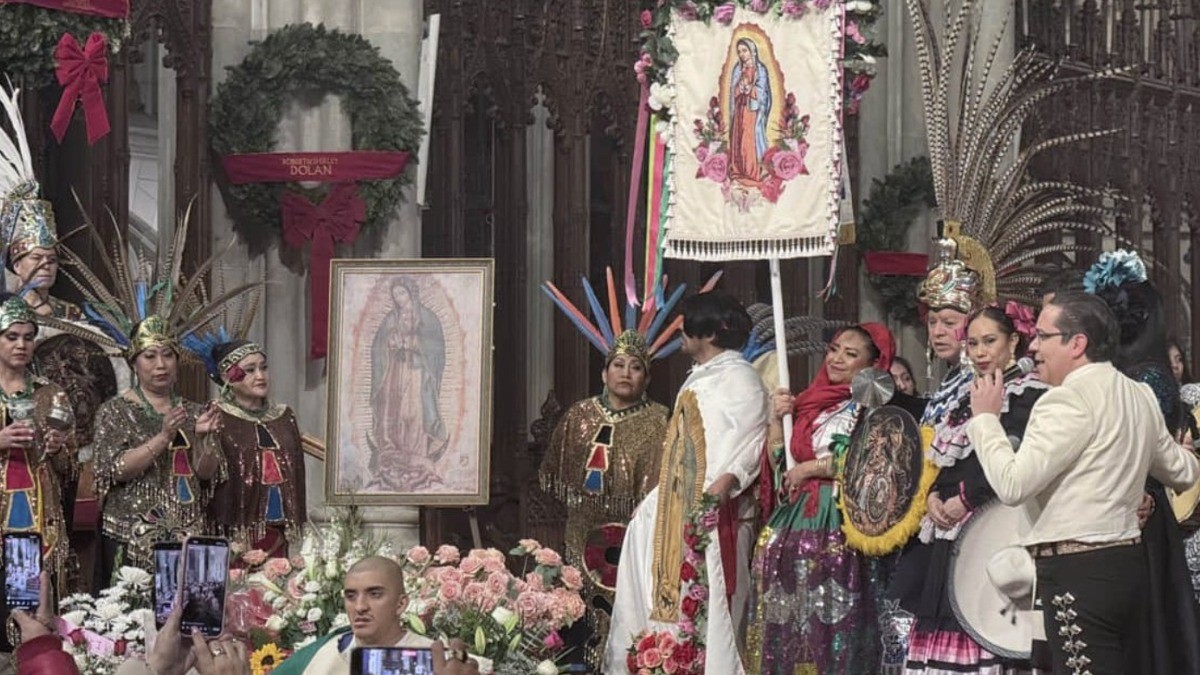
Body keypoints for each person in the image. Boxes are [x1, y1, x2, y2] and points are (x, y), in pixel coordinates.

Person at [967, 290, 1200, 674]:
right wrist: (1188, 453)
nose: (1033, 347)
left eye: (1043, 336)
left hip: (1078, 571)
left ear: (1077, 343)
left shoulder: (1065, 401)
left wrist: (986, 420)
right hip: (1127, 565)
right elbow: (1181, 471)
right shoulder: (1138, 394)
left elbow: (1011, 484)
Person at [604, 291, 769, 675]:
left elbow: (749, 442)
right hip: (672, 509)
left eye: (686, 322)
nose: (680, 329)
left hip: (708, 518)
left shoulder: (739, 378)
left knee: (706, 614)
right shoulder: (703, 377)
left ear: (708, 332)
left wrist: (718, 492)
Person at [899, 304, 1047, 674]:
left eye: (990, 341)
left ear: (1014, 340)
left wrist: (964, 499)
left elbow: (1013, 461)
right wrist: (934, 495)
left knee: (987, 617)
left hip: (995, 528)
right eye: (974, 343)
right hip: (950, 527)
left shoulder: (1031, 395)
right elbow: (947, 459)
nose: (980, 352)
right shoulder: (966, 396)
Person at [747, 324, 896, 674]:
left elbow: (868, 459)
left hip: (842, 528)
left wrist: (811, 469)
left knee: (836, 623)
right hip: (792, 526)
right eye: (834, 349)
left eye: (851, 353)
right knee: (788, 622)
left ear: (873, 364)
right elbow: (783, 467)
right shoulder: (809, 404)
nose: (838, 359)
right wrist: (776, 419)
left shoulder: (873, 406)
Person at [1083, 250, 1200, 674]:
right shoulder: (1119, 371)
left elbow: (1148, 451)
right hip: (1118, 510)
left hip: (1140, 512)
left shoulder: (1146, 375)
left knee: (1144, 631)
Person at [539, 330, 669, 667]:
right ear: (604, 373)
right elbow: (553, 475)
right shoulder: (578, 416)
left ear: (647, 377)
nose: (626, 373)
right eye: (619, 364)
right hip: (581, 529)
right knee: (576, 616)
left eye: (636, 367)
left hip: (633, 533)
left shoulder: (660, 420)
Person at [0, 295, 77, 663]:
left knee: (38, 611)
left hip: (40, 522)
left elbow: (71, 470)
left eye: (28, 336)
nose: (21, 344)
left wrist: (59, 447)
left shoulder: (51, 392)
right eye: (11, 336)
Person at [182, 336, 306, 558]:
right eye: (249, 370)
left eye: (264, 368)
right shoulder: (215, 415)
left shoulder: (284, 416)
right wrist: (205, 440)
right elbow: (203, 474)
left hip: (279, 528)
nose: (260, 376)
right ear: (226, 376)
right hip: (234, 531)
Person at [272, 556, 492, 674]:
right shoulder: (319, 654)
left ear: (400, 604)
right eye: (351, 596)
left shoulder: (436, 661)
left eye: (374, 594)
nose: (360, 607)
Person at [368, 279, 448, 491]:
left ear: (411, 293)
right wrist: (389, 344)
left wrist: (414, 345)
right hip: (395, 372)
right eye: (396, 296)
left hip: (417, 373)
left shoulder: (428, 318)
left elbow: (436, 349)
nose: (399, 300)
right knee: (394, 410)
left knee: (414, 411)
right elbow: (378, 346)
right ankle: (393, 450)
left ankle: (416, 453)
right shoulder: (391, 318)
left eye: (402, 294)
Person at [729, 37, 771, 184]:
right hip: (740, 108)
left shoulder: (760, 70)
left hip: (752, 111)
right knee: (738, 138)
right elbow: (733, 91)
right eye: (739, 51)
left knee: (748, 139)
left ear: (752, 51)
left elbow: (763, 93)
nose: (742, 54)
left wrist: (750, 90)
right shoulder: (737, 69)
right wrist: (739, 89)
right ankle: (738, 170)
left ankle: (752, 172)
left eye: (744, 50)